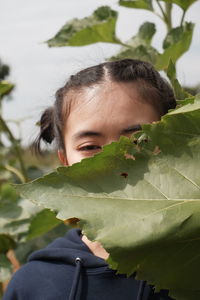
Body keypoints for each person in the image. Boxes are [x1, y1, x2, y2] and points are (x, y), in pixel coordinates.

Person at [3, 59, 176, 300]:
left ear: (173, 145)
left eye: (139, 140)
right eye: (90, 146)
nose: (114, 160)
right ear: (65, 162)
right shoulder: (34, 285)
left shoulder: (190, 265)